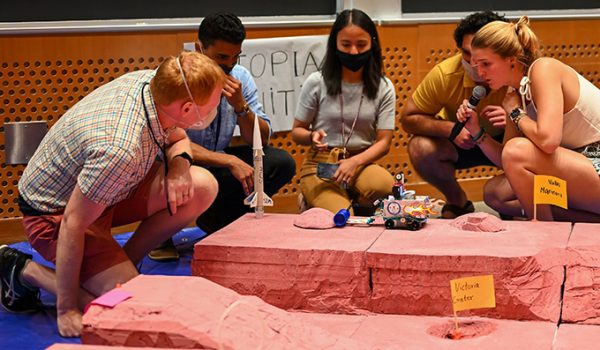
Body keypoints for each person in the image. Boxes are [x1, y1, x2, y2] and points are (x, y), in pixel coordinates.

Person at [0, 51, 224, 337]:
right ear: (188, 108)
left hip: (105, 192)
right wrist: (66, 309)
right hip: (54, 214)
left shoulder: (156, 86)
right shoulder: (120, 148)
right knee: (127, 306)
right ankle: (24, 269)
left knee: (202, 186)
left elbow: (178, 138)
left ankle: (122, 265)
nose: (218, 105)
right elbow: (73, 222)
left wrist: (179, 167)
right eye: (215, 101)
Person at [149, 13, 296, 261]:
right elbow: (168, 141)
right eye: (220, 57)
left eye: (234, 56)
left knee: (279, 162)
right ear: (199, 48)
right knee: (160, 164)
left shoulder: (241, 77)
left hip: (217, 164)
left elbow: (260, 140)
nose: (228, 64)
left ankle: (220, 220)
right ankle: (160, 236)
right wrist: (227, 160)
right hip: (178, 162)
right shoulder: (176, 78)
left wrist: (240, 106)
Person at [457, 16, 600, 222]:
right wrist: (476, 131)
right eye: (476, 65)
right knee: (495, 193)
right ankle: (581, 222)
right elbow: (508, 160)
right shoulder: (514, 94)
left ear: (511, 59)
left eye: (486, 64)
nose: (479, 73)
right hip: (581, 167)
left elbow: (548, 141)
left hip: (594, 160)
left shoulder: (544, 69)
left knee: (518, 151)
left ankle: (543, 232)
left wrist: (515, 113)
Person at [400, 11, 509, 219]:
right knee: (420, 147)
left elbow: (549, 129)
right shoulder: (446, 74)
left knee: (528, 146)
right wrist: (451, 129)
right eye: (468, 54)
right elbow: (408, 119)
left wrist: (515, 119)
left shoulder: (523, 72)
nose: (476, 65)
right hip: (463, 142)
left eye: (484, 57)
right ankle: (456, 201)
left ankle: (516, 199)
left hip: (507, 144)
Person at [291, 9, 396, 215]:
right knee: (342, 217)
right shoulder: (316, 82)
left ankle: (355, 199)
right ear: (335, 45)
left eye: (361, 45)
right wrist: (312, 136)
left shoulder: (384, 87)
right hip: (321, 164)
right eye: (346, 45)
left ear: (372, 44)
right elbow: (297, 132)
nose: (354, 52)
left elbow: (384, 142)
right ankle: (316, 199)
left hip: (360, 163)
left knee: (385, 186)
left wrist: (355, 162)